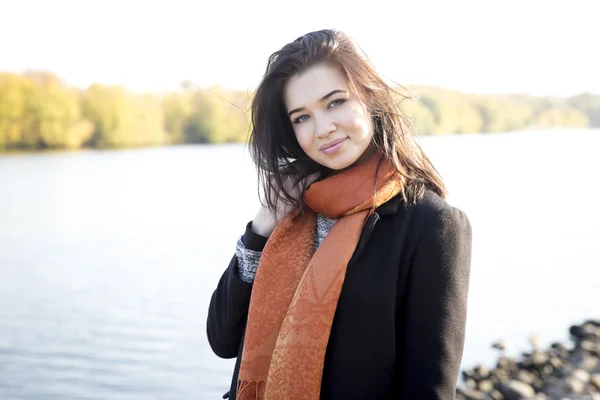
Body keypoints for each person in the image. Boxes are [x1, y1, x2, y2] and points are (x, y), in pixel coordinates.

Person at [206, 29, 472, 400]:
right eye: (301, 118)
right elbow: (222, 338)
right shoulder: (293, 211)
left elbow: (428, 389)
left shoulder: (431, 224)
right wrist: (261, 228)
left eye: (335, 103)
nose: (323, 129)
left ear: (369, 98)